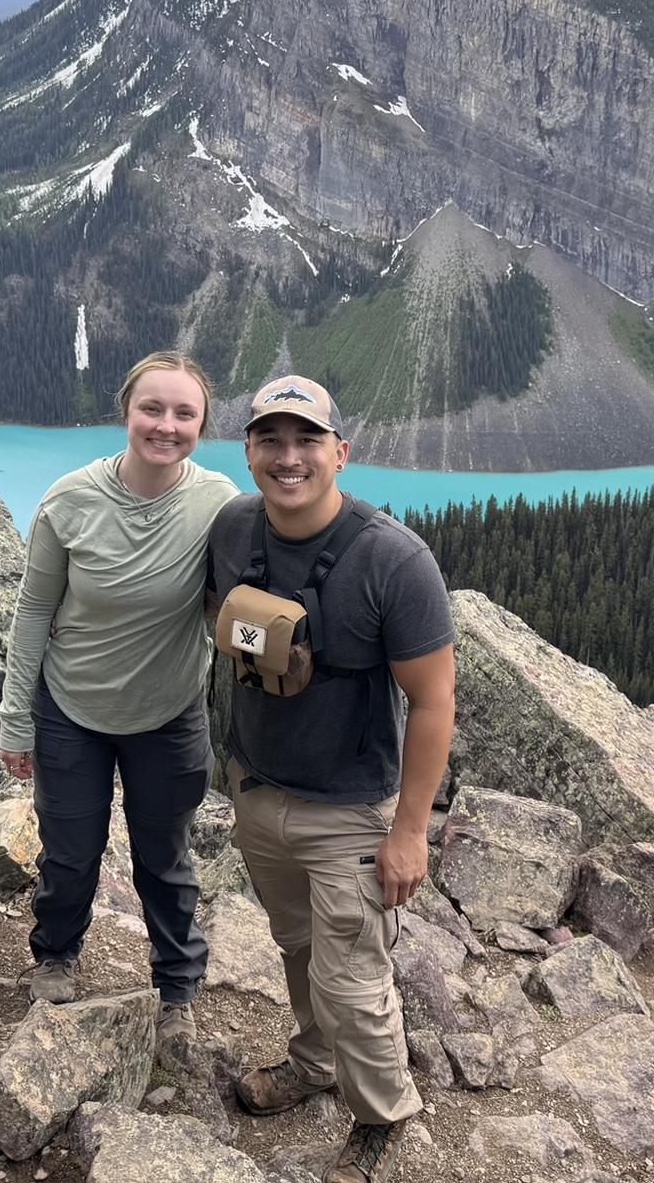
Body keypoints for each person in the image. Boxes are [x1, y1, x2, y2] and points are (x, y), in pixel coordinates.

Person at [208, 375, 456, 1183]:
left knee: (351, 975)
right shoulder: (233, 531)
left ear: (340, 453)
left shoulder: (393, 559)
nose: (288, 458)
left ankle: (383, 1116)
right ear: (247, 451)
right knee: (297, 945)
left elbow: (433, 701)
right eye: (269, 440)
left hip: (350, 810)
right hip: (257, 789)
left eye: (307, 440)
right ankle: (315, 1065)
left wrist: (410, 830)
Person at [0, 350, 238, 1046]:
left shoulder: (218, 504)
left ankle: (176, 988)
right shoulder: (71, 500)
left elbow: (238, 602)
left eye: (184, 413)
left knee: (164, 857)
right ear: (125, 413)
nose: (166, 425)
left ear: (202, 424)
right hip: (72, 709)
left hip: (169, 715)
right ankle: (56, 957)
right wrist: (16, 719)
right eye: (152, 409)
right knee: (70, 852)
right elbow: (33, 612)